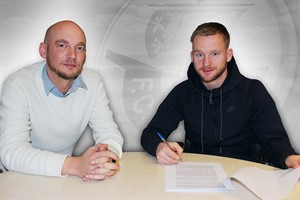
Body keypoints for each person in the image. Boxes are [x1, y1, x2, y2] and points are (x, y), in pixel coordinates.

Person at [141, 22, 300, 169]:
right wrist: (159, 147)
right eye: (199, 55)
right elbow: (151, 133)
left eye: (215, 54)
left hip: (244, 174)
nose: (206, 63)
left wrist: (289, 159)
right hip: (196, 173)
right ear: (192, 56)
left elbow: (274, 141)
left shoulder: (253, 91)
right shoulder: (183, 92)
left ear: (228, 55)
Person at [0, 20, 124, 181]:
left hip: (62, 177)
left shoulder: (93, 82)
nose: (72, 55)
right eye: (62, 46)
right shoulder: (18, 85)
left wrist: (105, 158)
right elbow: (11, 152)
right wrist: (74, 165)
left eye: (79, 48)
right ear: (43, 51)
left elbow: (109, 132)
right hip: (17, 177)